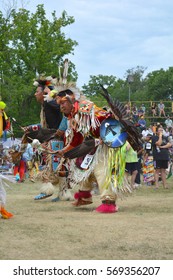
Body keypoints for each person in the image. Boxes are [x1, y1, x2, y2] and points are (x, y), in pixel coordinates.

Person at [53, 89, 141, 213]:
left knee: (102, 171)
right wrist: (63, 151)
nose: (61, 107)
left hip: (107, 146)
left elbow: (108, 118)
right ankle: (84, 196)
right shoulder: (73, 117)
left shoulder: (86, 108)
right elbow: (76, 140)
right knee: (84, 169)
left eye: (63, 103)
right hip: (95, 145)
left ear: (72, 99)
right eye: (59, 104)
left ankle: (109, 203)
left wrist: (103, 138)